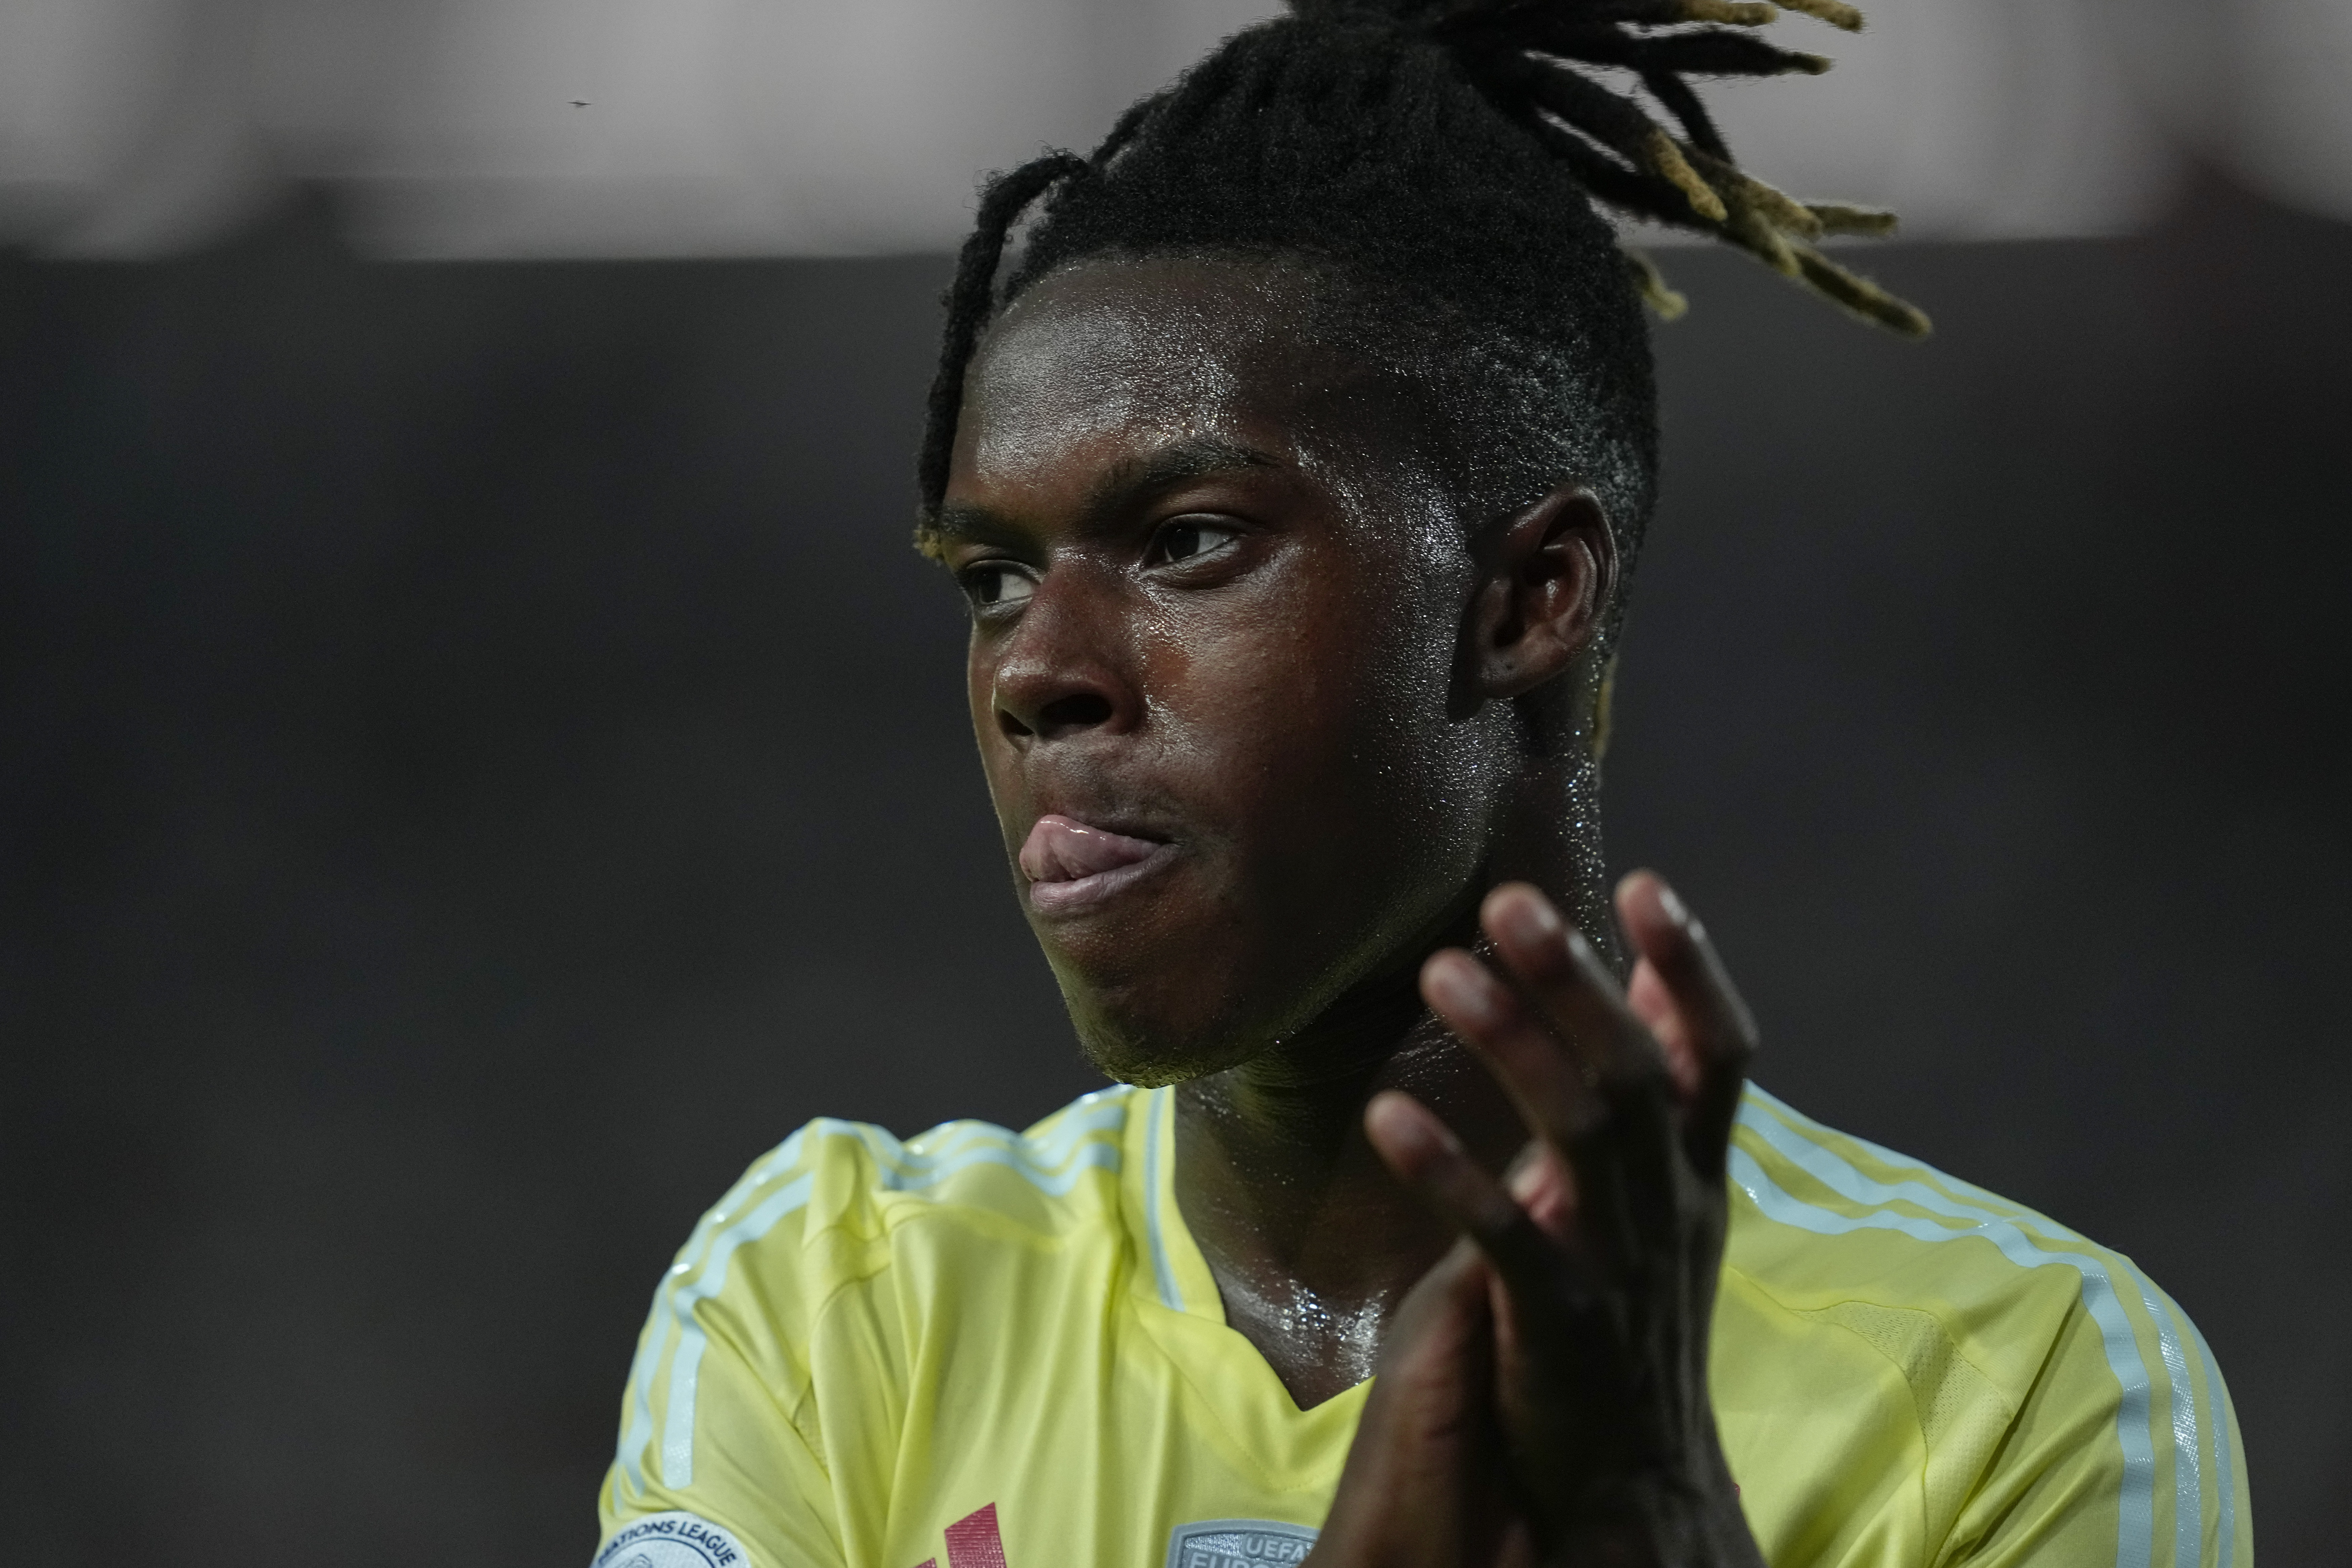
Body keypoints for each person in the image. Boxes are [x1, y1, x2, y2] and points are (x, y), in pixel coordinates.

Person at [590, 2, 2250, 1564]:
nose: (1036, 672)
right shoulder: (834, 1298)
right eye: (993, 580)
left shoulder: (2013, 1380)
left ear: (1530, 600)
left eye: (1187, 544)